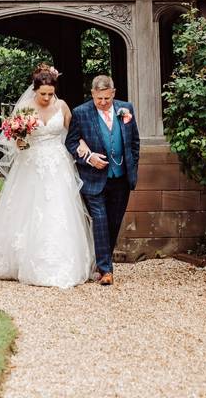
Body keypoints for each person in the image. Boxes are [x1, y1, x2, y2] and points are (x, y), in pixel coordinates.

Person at [0, 63, 95, 288]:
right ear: (35, 90)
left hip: (56, 163)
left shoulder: (62, 106)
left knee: (58, 208)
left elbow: (73, 133)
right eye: (42, 94)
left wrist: (83, 146)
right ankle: (17, 260)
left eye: (50, 94)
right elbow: (12, 139)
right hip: (30, 163)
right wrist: (19, 140)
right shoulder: (24, 108)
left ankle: (60, 262)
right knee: (26, 207)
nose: (46, 98)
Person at [65, 75, 140, 286]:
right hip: (93, 179)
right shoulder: (81, 113)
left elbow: (134, 141)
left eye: (107, 98)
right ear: (92, 95)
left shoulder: (126, 109)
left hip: (121, 178)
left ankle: (100, 261)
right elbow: (71, 143)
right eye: (99, 99)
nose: (103, 103)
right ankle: (106, 270)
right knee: (100, 220)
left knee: (114, 222)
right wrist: (89, 158)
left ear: (113, 94)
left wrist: (133, 165)